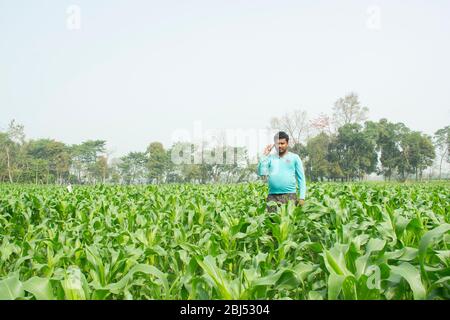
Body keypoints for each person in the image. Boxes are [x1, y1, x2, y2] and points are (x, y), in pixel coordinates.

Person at [257, 131, 306, 212]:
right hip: (272, 196)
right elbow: (261, 172)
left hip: (290, 196)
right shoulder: (270, 158)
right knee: (272, 222)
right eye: (277, 144)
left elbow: (301, 179)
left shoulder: (295, 158)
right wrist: (264, 156)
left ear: (287, 143)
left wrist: (302, 197)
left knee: (289, 222)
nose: (279, 146)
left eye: (282, 143)